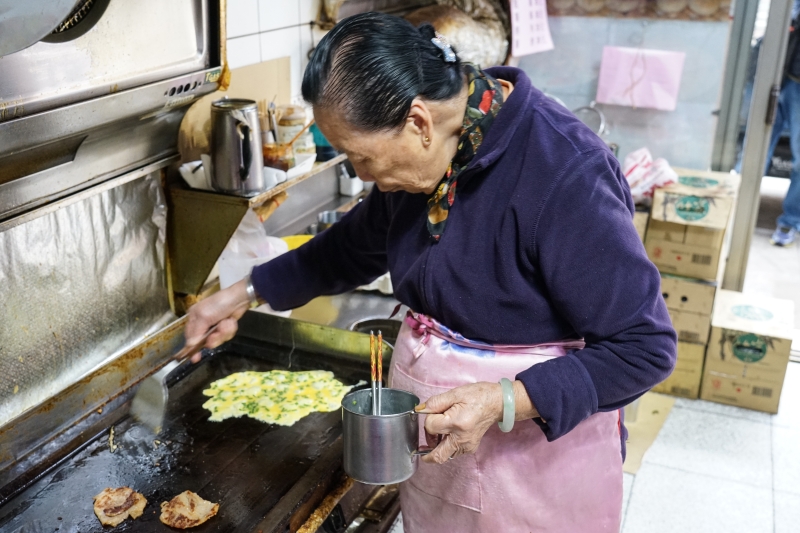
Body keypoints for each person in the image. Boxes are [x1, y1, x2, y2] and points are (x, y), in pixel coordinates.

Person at [185, 12, 676, 532]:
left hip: (536, 471)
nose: (362, 174)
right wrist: (242, 293)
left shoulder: (564, 171)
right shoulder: (428, 165)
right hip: (445, 464)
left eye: (361, 157)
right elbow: (349, 249)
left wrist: (505, 398)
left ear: (418, 122)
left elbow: (644, 347)